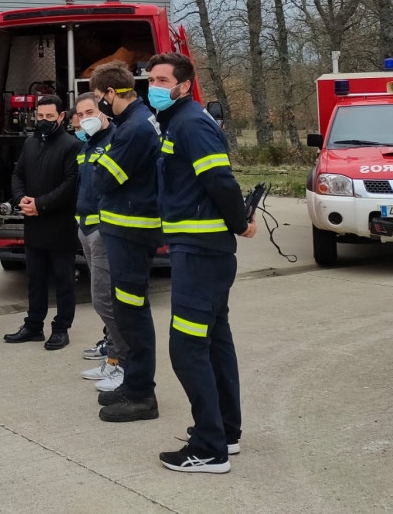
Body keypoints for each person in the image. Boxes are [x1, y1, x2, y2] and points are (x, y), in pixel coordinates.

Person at [147, 52, 256, 474]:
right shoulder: (178, 122)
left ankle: (209, 449)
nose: (153, 85)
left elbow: (219, 179)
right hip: (199, 250)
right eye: (151, 78)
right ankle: (225, 433)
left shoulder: (190, 123)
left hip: (201, 252)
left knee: (188, 347)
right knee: (213, 341)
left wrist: (239, 222)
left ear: (184, 85)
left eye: (161, 79)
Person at [91, 62, 163, 424]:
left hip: (131, 231)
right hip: (127, 229)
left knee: (132, 314)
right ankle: (134, 383)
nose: (99, 104)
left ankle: (141, 395)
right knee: (127, 311)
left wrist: (98, 162)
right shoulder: (136, 121)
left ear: (111, 93)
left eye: (99, 97)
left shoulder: (134, 128)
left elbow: (104, 179)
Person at [3, 94, 81, 350]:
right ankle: (33, 326)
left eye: (49, 116)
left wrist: (41, 204)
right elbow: (18, 173)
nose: (44, 121)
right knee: (34, 279)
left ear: (61, 117)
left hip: (60, 226)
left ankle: (61, 328)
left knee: (63, 280)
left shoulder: (72, 145)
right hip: (33, 226)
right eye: (40, 116)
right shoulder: (30, 144)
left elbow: (70, 185)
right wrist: (20, 200)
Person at [72, 93, 128, 392]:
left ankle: (125, 364)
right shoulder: (88, 144)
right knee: (104, 299)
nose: (85, 118)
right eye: (80, 114)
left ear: (103, 111)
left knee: (105, 300)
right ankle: (115, 360)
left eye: (90, 111)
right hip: (86, 226)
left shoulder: (115, 141)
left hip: (104, 230)